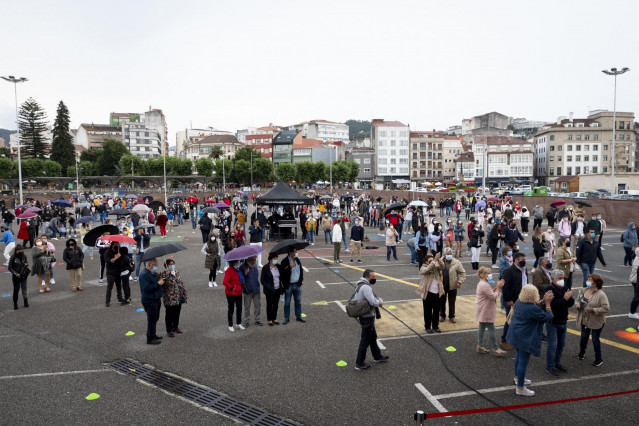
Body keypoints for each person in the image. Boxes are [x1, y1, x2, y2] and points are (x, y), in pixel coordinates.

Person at [506, 284, 554, 396]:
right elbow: (548, 318)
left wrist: (542, 300)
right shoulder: (532, 308)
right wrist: (547, 304)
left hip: (515, 334)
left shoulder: (520, 302)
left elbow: (534, 306)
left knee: (518, 357)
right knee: (523, 361)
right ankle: (520, 388)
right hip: (524, 337)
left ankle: (518, 379)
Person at [353, 269, 388, 370]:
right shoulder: (366, 287)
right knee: (365, 340)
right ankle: (359, 363)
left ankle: (377, 356)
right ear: (367, 277)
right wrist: (380, 301)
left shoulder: (360, 285)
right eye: (373, 277)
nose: (375, 278)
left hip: (365, 316)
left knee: (373, 338)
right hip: (367, 317)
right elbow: (372, 302)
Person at [544, 269, 574, 377]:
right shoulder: (549, 289)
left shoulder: (565, 288)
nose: (562, 280)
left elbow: (570, 303)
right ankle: (550, 366)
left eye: (563, 278)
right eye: (559, 278)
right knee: (552, 345)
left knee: (561, 344)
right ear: (553, 279)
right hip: (553, 322)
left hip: (563, 321)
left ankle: (557, 363)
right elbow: (550, 306)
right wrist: (564, 299)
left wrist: (569, 298)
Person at [575, 274, 609, 367]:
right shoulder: (583, 290)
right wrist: (577, 305)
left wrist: (594, 310)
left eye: (590, 280)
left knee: (595, 339)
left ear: (596, 283)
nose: (588, 281)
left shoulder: (601, 294)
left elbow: (606, 308)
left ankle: (598, 359)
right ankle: (582, 353)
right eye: (588, 279)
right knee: (583, 338)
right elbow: (577, 300)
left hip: (596, 321)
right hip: (584, 319)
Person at [475, 266, 507, 356]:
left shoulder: (482, 283)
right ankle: (496, 349)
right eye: (488, 273)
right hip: (486, 310)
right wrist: (499, 288)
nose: (490, 275)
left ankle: (480, 346)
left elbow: (490, 293)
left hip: (483, 309)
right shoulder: (484, 285)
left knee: (481, 327)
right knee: (491, 329)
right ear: (484, 275)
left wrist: (497, 287)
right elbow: (493, 296)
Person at [500, 252, 528, 350]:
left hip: (523, 299)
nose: (524, 261)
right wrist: (508, 300)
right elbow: (505, 286)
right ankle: (504, 340)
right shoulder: (509, 271)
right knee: (510, 320)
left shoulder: (524, 270)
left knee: (519, 320)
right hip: (512, 300)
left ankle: (514, 338)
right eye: (522, 260)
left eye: (525, 259)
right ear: (516, 260)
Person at [138, 257, 165, 344]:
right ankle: (149, 338)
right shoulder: (144, 275)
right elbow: (146, 288)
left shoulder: (151, 272)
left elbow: (157, 279)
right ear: (149, 265)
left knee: (155, 317)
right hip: (149, 299)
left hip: (156, 298)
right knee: (151, 319)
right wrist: (158, 283)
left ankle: (153, 334)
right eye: (155, 265)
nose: (156, 266)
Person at [160, 258, 188, 338]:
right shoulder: (163, 274)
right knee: (169, 315)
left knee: (177, 313)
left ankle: (175, 327)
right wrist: (167, 275)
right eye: (170, 264)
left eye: (173, 264)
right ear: (166, 265)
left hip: (178, 297)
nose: (172, 266)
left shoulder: (176, 272)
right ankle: (169, 330)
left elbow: (181, 283)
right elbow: (164, 285)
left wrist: (185, 293)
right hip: (169, 298)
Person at [439, 247, 466, 324]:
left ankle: (452, 316)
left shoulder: (456, 262)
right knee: (442, 301)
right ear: (444, 254)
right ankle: (442, 315)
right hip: (442, 285)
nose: (449, 255)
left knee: (452, 301)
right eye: (448, 254)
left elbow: (462, 273)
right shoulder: (439, 261)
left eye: (450, 254)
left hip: (453, 285)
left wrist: (460, 281)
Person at [418, 253, 443, 333]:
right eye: (430, 261)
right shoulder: (423, 267)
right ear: (426, 261)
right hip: (428, 292)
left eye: (433, 260)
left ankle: (435, 326)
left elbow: (442, 267)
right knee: (427, 311)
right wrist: (434, 261)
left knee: (436, 310)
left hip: (437, 292)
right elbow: (426, 271)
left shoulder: (435, 267)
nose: (432, 262)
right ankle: (427, 326)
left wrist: (438, 260)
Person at [281, 247, 305, 324]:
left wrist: (301, 280)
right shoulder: (284, 261)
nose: (296, 252)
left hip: (297, 284)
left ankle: (298, 316)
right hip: (289, 285)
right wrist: (289, 267)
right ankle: (286, 317)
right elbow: (282, 274)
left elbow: (301, 270)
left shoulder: (297, 260)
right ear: (291, 253)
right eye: (295, 251)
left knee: (298, 302)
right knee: (287, 302)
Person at [261, 253, 284, 325]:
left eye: (276, 259)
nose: (276, 260)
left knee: (276, 305)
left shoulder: (278, 267)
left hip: (277, 289)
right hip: (269, 290)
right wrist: (268, 286)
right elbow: (262, 280)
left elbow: (283, 274)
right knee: (269, 304)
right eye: (274, 259)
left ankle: (274, 318)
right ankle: (269, 319)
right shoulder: (265, 268)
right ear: (270, 259)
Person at [223, 259, 244, 332]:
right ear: (234, 262)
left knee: (239, 308)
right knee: (231, 309)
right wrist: (232, 287)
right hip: (231, 293)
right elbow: (225, 282)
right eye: (237, 261)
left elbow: (241, 279)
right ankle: (230, 325)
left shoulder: (238, 269)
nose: (238, 262)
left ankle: (238, 323)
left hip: (238, 291)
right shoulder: (229, 270)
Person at [241, 255, 262, 327]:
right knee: (247, 306)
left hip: (256, 288)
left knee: (257, 305)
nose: (255, 258)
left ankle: (257, 319)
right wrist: (245, 274)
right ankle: (246, 320)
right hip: (248, 290)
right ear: (249, 258)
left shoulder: (255, 265)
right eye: (254, 257)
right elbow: (240, 279)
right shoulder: (243, 266)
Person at [8, 245, 29, 310]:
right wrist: (15, 273)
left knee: (24, 288)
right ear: (16, 251)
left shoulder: (24, 256)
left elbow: (26, 263)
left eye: (22, 250)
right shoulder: (13, 257)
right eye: (19, 250)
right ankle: (15, 303)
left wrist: (26, 264)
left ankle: (25, 301)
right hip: (16, 276)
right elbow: (10, 267)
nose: (21, 251)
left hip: (23, 275)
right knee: (16, 290)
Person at [104, 242, 123, 307]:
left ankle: (120, 299)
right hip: (111, 273)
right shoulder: (107, 252)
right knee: (109, 288)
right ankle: (107, 302)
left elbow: (121, 262)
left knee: (119, 287)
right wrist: (115, 258)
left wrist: (120, 257)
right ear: (112, 245)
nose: (117, 246)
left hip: (118, 272)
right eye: (115, 245)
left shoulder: (118, 251)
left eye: (118, 245)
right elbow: (108, 261)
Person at [628, 248, 639, 320]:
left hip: (635, 280)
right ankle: (632, 312)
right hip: (636, 281)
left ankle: (633, 312)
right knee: (637, 297)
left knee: (637, 296)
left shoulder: (636, 257)